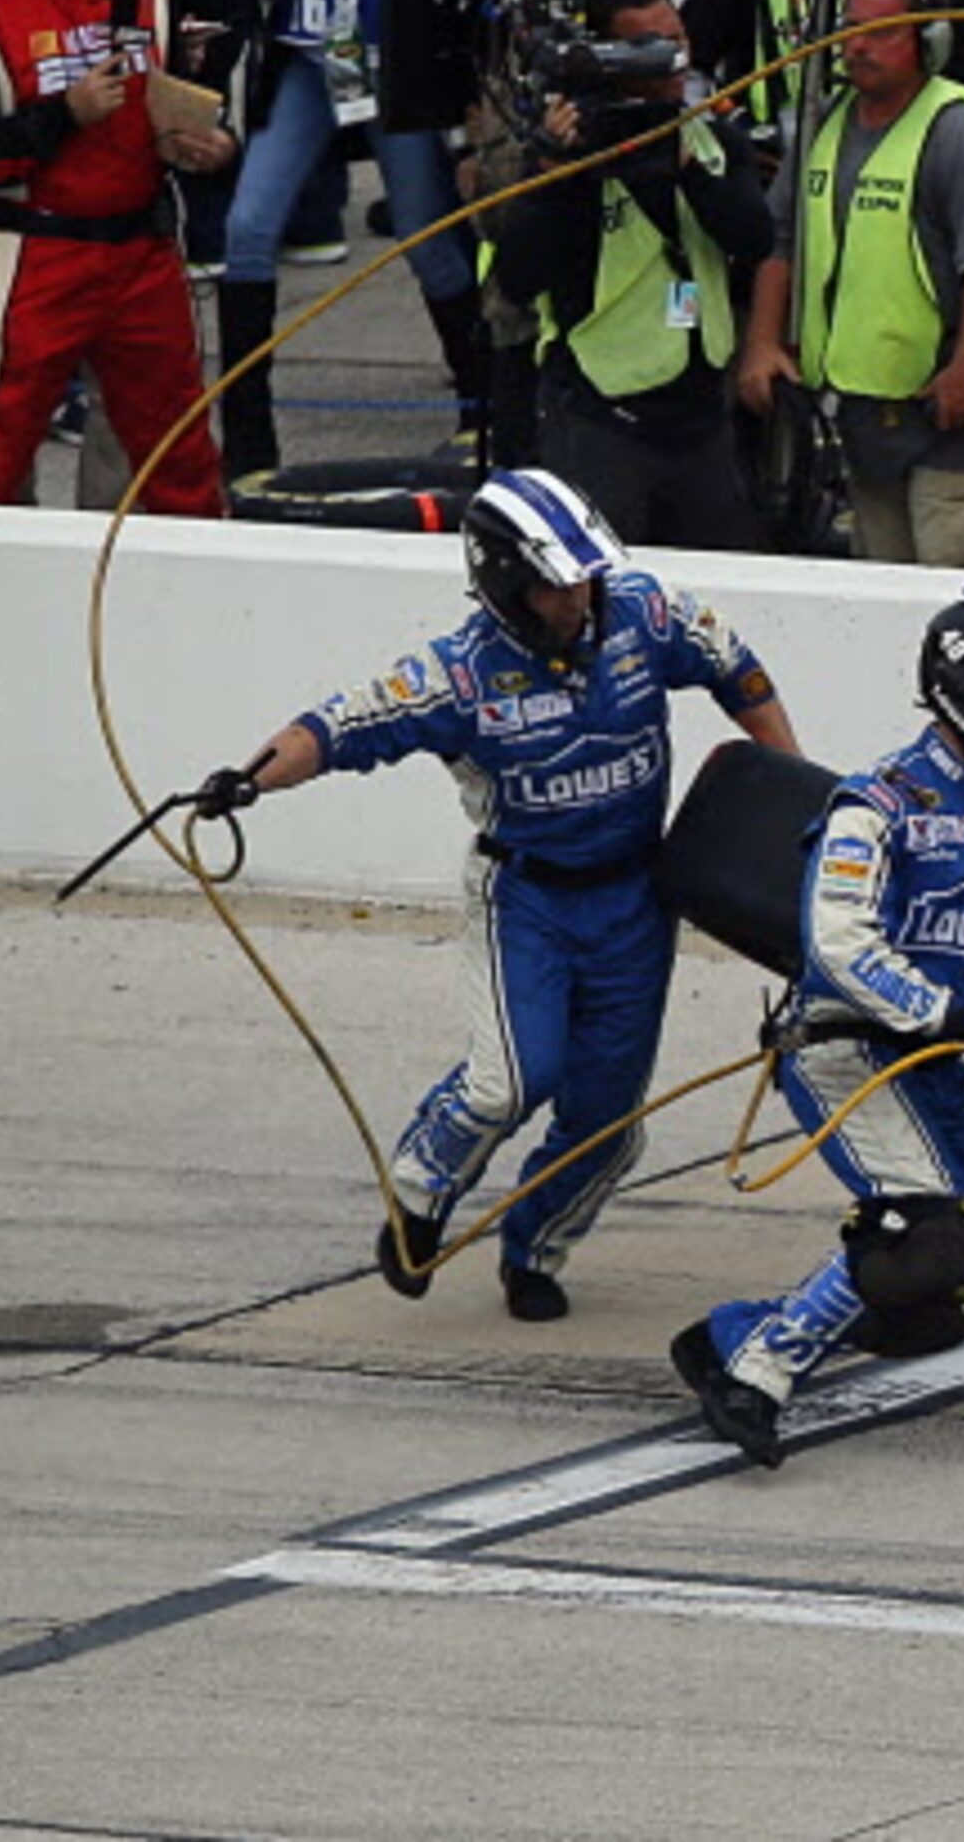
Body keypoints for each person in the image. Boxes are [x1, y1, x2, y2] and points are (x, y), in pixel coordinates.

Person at [182, 471, 798, 1320]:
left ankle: (536, 1250)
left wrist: (793, 787)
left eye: (584, 574)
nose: (578, 595)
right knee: (510, 1082)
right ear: (508, 580)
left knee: (609, 1123)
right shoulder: (455, 676)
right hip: (527, 903)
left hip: (638, 901)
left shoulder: (648, 611)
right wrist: (245, 783)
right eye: (556, 581)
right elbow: (338, 727)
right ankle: (421, 1187)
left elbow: (742, 674)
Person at [675, 586, 964, 1468]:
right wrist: (955, 1013)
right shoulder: (875, 805)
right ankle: (753, 1376)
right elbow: (836, 949)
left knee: (932, 1308)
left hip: (939, 1063)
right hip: (844, 1047)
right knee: (920, 1240)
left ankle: (723, 1335)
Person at [736, 0, 964, 568]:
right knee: (882, 603)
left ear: (929, 42)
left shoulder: (960, 133)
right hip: (866, 427)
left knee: (954, 596)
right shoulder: (825, 124)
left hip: (952, 426)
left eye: (882, 32)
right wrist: (763, 342)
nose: (857, 46)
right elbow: (782, 239)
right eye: (851, 29)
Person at [494, 0, 776, 553]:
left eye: (678, 38)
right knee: (607, 596)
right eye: (651, 46)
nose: (675, 57)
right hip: (605, 419)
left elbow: (753, 238)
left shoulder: (713, 138)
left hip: (703, 419)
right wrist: (556, 172)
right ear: (605, 58)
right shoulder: (571, 157)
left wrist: (690, 171)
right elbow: (519, 276)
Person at [0, 0, 239, 512]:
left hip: (145, 250)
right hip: (32, 257)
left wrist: (217, 146)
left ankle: (184, 584)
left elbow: (209, 86)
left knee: (179, 454)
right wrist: (65, 115)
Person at [207, 0, 485, 477]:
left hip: (403, 62)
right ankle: (248, 444)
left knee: (424, 235)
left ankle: (481, 408)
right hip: (310, 57)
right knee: (247, 227)